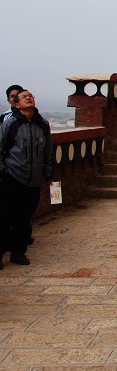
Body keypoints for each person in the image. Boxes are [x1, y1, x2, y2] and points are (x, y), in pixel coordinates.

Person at [0, 90, 52, 268]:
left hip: (34, 179)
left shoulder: (43, 124)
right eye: (24, 97)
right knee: (5, 217)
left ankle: (18, 253)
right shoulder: (10, 124)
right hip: (12, 177)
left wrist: (48, 172)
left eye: (31, 96)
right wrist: (3, 171)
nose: (28, 98)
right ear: (16, 104)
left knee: (24, 218)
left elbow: (47, 151)